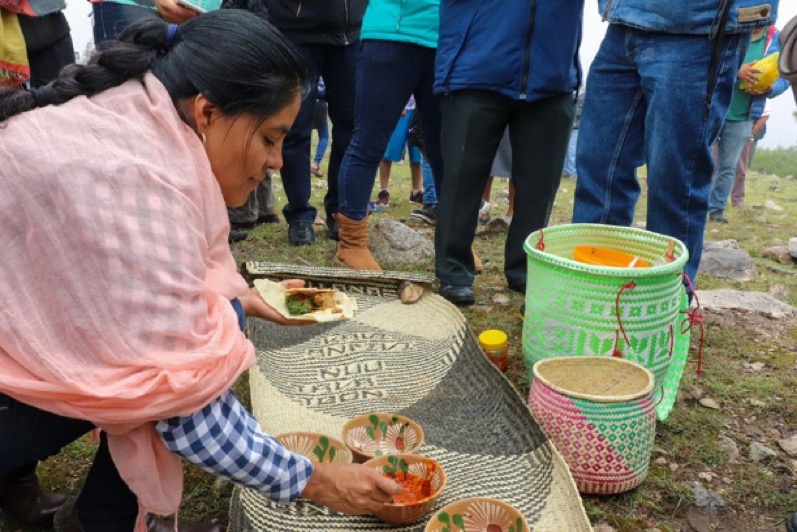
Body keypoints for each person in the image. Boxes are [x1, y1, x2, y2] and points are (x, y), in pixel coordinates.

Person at [0, 12, 401, 532]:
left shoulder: (138, 121)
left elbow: (149, 299)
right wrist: (314, 480)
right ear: (208, 112)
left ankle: (86, 511)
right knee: (169, 374)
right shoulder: (134, 178)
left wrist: (244, 300)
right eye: (270, 139)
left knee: (212, 323)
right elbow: (189, 410)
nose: (278, 162)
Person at [572, 0, 779, 286]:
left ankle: (666, 307)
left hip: (701, 28)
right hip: (624, 20)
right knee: (599, 167)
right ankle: (591, 288)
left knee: (675, 178)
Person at [434, 0, 582, 305]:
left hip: (552, 73)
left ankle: (525, 268)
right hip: (475, 66)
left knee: (540, 186)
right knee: (462, 179)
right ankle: (453, 271)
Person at [335, 0, 444, 270]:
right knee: (368, 143)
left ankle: (454, 241)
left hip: (445, 41)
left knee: (445, 148)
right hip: (391, 34)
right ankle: (352, 243)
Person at [262, 0, 366, 246]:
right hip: (298, 32)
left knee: (350, 127)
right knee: (295, 127)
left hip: (350, 34)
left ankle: (340, 211)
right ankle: (299, 215)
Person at [708, 24, 789, 222]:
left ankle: (716, 209)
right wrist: (736, 69)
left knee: (728, 165)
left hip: (744, 114)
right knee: (701, 160)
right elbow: (707, 58)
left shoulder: (775, 40)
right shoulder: (729, 29)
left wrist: (769, 89)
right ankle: (694, 203)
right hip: (712, 108)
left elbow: (784, 77)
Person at [374, 98, 425, 208]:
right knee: (389, 149)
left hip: (418, 108)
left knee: (417, 151)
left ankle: (417, 191)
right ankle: (383, 191)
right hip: (400, 107)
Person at [730, 113, 768, 207]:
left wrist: (751, 135)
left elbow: (765, 116)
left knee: (742, 167)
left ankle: (737, 198)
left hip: (749, 133)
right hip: (732, 128)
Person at [562, 89, 584, 180]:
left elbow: (581, 111)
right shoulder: (567, 95)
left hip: (575, 127)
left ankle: (573, 172)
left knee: (571, 149)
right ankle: (566, 170)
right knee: (565, 149)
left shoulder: (582, 96)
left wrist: (572, 108)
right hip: (567, 126)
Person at [311, 78, 329, 177]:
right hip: (322, 104)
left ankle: (304, 164)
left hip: (309, 102)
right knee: (324, 136)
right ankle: (315, 164)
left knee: (305, 136)